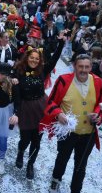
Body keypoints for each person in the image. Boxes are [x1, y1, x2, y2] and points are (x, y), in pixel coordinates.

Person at [41, 54, 102, 193]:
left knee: (81, 163)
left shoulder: (98, 82)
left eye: (87, 66)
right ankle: (56, 178)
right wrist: (58, 114)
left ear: (91, 67)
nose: (83, 70)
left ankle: (76, 191)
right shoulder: (64, 81)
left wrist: (97, 114)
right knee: (62, 158)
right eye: (80, 66)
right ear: (74, 66)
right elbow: (51, 103)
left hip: (87, 132)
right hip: (68, 131)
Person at [13, 30, 66, 180]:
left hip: (41, 108)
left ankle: (30, 165)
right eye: (32, 58)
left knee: (37, 140)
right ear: (27, 58)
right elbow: (14, 88)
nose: (34, 61)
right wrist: (13, 81)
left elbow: (55, 59)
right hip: (25, 108)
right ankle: (20, 152)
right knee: (25, 139)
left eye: (37, 59)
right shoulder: (19, 71)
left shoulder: (43, 70)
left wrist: (61, 42)